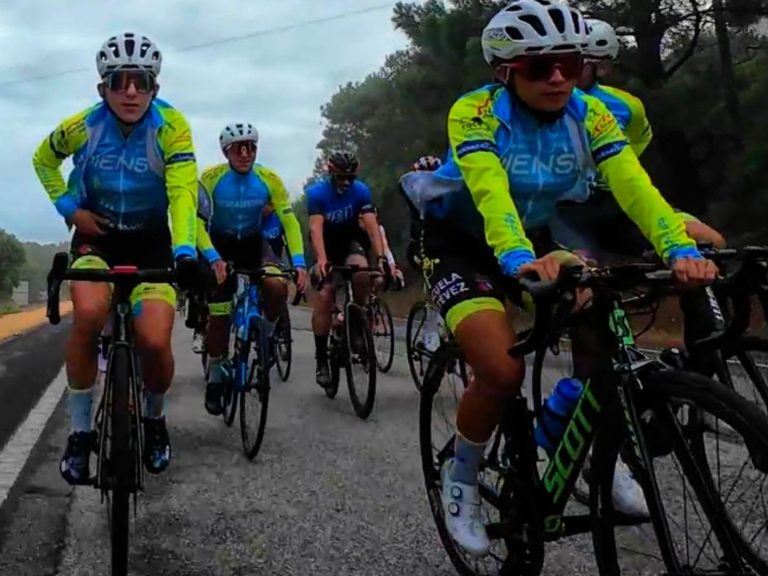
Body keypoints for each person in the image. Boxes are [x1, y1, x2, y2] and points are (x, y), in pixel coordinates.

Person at [400, 0, 717, 557]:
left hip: (535, 235)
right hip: (460, 242)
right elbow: (490, 191)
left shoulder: (591, 114)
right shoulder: (475, 111)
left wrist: (679, 248)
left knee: (601, 325)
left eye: (568, 64)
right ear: (505, 70)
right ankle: (461, 475)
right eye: (538, 66)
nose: (556, 78)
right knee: (501, 368)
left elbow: (635, 188)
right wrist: (519, 260)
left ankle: (579, 441)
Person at [32, 32, 200, 484]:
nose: (130, 91)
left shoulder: (172, 127)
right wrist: (72, 211)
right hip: (97, 237)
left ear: (154, 88)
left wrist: (185, 251)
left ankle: (154, 418)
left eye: (140, 81)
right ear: (102, 87)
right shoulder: (82, 126)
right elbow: (42, 160)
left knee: (155, 341)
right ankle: (80, 433)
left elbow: (183, 193)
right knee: (88, 315)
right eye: (118, 81)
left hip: (151, 240)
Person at [551, 18, 726, 257]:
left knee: (712, 242)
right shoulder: (543, 104)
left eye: (576, 64)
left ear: (601, 66)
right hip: (564, 207)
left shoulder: (627, 106)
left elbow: (637, 143)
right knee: (579, 267)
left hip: (618, 199)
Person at [196, 123, 308, 415]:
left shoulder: (269, 179)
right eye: (238, 148)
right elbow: (196, 222)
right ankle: (216, 373)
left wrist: (298, 262)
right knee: (219, 315)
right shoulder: (211, 178)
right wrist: (212, 257)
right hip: (219, 244)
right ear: (226, 152)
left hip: (253, 243)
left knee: (276, 285)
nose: (245, 153)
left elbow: (289, 221)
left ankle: (265, 335)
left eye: (251, 147)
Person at [305, 151, 390, 387]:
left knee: (362, 273)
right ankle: (321, 358)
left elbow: (372, 226)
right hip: (325, 243)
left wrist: (381, 258)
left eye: (350, 178)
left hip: (350, 241)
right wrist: (322, 260)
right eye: (341, 177)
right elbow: (316, 229)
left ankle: (355, 324)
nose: (345, 182)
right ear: (330, 174)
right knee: (325, 294)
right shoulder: (317, 193)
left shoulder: (361, 190)